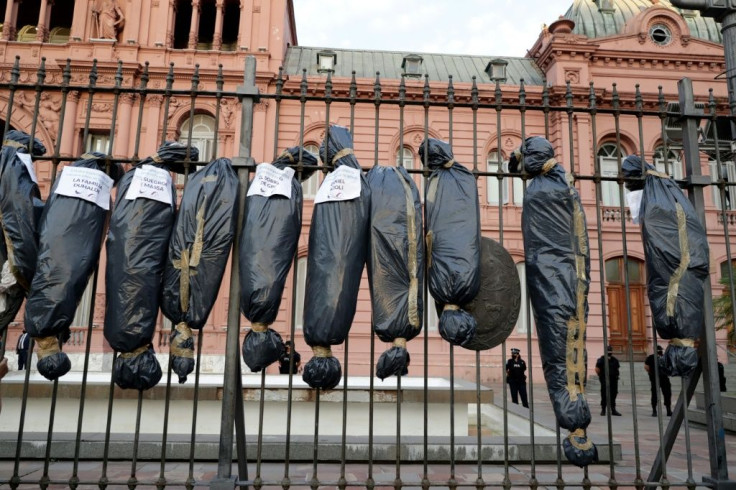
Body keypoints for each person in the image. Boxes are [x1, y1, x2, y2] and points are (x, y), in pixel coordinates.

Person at [645, 345, 672, 417]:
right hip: (655, 378)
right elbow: (647, 367)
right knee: (655, 394)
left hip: (664, 378)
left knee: (667, 394)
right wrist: (652, 373)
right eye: (659, 350)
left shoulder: (664, 357)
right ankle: (654, 410)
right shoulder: (651, 358)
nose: (660, 351)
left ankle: (668, 410)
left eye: (660, 350)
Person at [595, 345, 621, 416]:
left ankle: (613, 409)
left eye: (610, 351)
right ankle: (603, 409)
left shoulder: (615, 360)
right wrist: (601, 377)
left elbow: (617, 369)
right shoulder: (601, 360)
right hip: (604, 380)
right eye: (608, 351)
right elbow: (597, 369)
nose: (609, 352)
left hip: (614, 380)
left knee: (613, 394)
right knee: (604, 394)